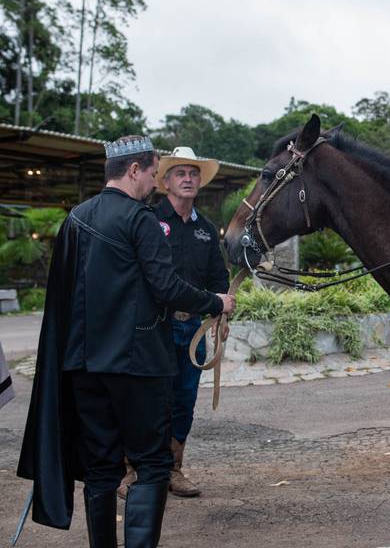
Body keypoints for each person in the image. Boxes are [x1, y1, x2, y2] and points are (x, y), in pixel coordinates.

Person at [17, 135, 236, 548]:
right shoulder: (141, 220)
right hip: (137, 365)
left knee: (101, 467)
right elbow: (168, 287)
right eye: (154, 172)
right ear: (134, 170)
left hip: (83, 364)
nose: (155, 182)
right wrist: (216, 301)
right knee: (152, 463)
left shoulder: (77, 218)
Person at [118, 146, 228, 499]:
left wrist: (222, 310)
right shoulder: (147, 219)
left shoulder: (206, 230)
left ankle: (172, 469)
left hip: (192, 329)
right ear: (164, 182)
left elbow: (218, 278)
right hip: (155, 327)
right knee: (147, 398)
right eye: (180, 173)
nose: (188, 179)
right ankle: (131, 470)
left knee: (184, 398)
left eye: (193, 173)